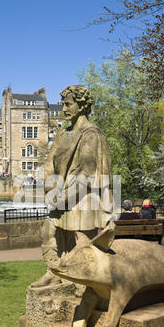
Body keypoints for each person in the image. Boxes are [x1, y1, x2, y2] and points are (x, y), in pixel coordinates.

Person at [31, 84, 112, 287]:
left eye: (68, 104)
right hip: (61, 195)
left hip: (82, 199)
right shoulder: (61, 134)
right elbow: (49, 164)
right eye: (63, 104)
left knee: (82, 245)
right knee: (48, 232)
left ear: (82, 105)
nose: (64, 109)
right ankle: (55, 271)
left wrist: (63, 197)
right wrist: (50, 188)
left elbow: (87, 174)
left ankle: (82, 283)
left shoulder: (91, 134)